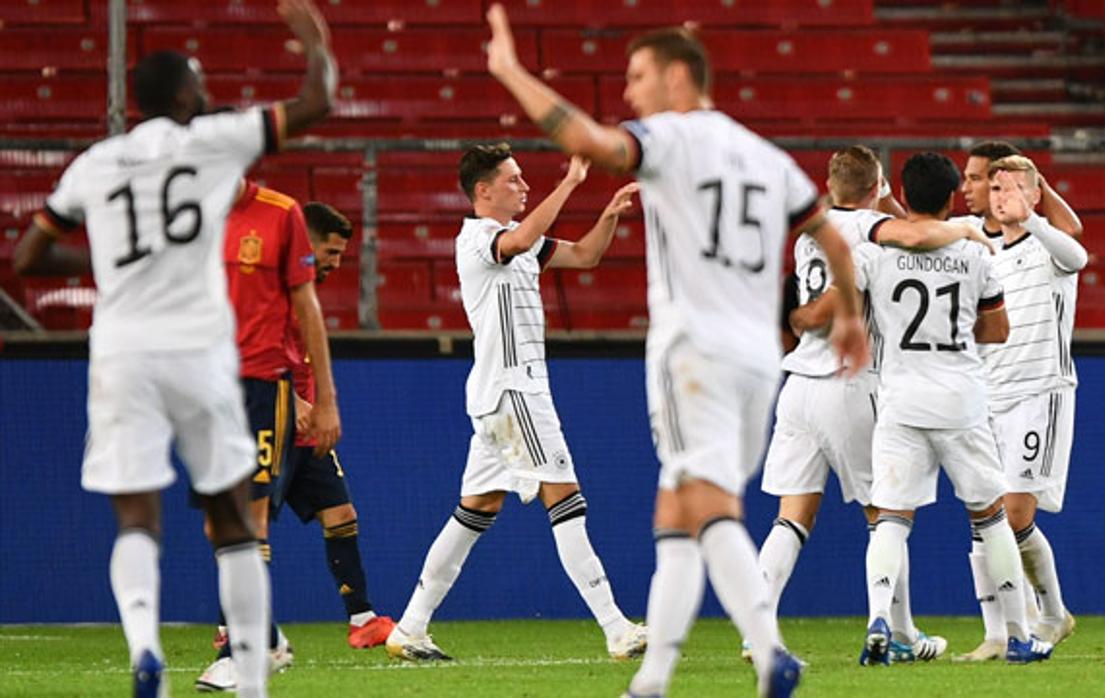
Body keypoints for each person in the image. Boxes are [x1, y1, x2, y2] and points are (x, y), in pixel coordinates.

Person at [484, 8, 988, 695]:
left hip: (694, 350)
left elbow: (587, 140)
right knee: (685, 506)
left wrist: (511, 72)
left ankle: (762, 648)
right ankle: (659, 676)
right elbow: (834, 235)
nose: (630, 93)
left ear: (677, 75)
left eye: (637, 76)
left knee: (706, 504)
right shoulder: (765, 156)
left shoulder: (670, 138)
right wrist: (848, 316)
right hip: (756, 361)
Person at [9, 1, 337, 695]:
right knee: (231, 514)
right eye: (200, 79)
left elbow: (28, 254)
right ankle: (250, 678)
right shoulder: (212, 141)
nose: (207, 88)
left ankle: (144, 649)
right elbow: (315, 104)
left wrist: (110, 264)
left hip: (123, 351)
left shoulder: (96, 163)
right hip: (199, 351)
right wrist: (312, 41)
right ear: (184, 96)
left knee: (136, 513)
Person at [386, 144, 646, 663]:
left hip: (503, 394)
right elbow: (522, 238)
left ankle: (410, 627)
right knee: (566, 499)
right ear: (483, 191)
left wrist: (608, 217)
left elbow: (586, 256)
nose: (524, 187)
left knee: (475, 510)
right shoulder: (479, 238)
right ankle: (617, 628)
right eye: (514, 180)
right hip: (513, 391)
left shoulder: (520, 243)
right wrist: (569, 184)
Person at [754, 145, 959, 666]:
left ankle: (758, 625)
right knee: (888, 513)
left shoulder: (809, 231)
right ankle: (903, 633)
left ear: (829, 182)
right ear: (877, 186)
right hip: (851, 382)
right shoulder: (869, 228)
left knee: (791, 516)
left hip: (798, 385)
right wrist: (889, 203)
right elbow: (914, 232)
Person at [852, 152, 1052, 666]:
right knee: (990, 519)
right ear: (949, 200)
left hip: (900, 400)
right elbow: (998, 329)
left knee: (892, 519)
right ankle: (1018, 635)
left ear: (905, 192)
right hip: (961, 400)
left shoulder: (876, 252)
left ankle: (879, 618)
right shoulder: (977, 254)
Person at [194, 179, 342, 692]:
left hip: (262, 386)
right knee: (220, 528)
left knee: (248, 520)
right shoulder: (188, 215)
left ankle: (243, 650)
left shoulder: (279, 214)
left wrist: (324, 398)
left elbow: (308, 310)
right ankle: (270, 637)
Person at [953, 141, 1084, 662]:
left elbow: (1078, 254)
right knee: (985, 515)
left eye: (993, 182)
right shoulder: (978, 250)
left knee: (1014, 512)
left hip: (1038, 392)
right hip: (988, 395)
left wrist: (1032, 203)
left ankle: (1051, 615)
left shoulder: (1048, 245)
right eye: (989, 183)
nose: (982, 190)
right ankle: (1001, 632)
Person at [280, 202, 396, 649]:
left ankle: (363, 619)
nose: (336, 262)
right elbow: (243, 349)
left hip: (307, 429)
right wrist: (289, 399)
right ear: (304, 242)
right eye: (330, 251)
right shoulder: (271, 289)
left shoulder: (303, 291)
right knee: (249, 528)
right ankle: (232, 630)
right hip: (269, 420)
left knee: (342, 516)